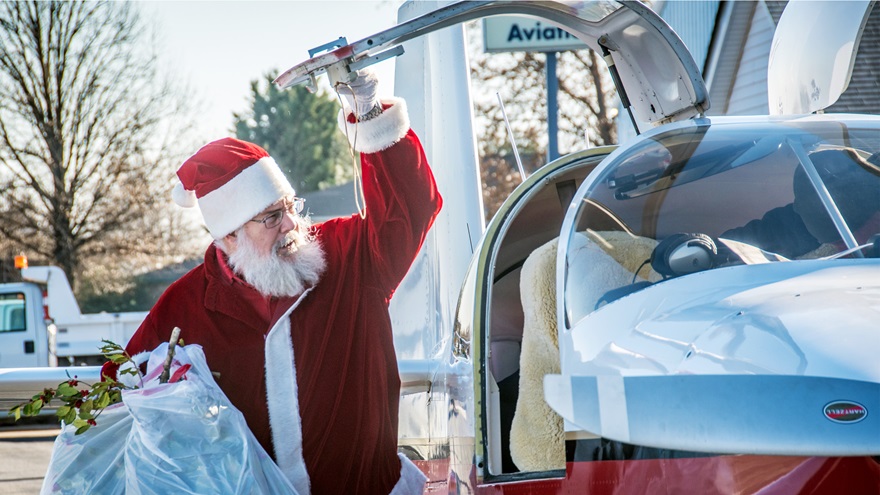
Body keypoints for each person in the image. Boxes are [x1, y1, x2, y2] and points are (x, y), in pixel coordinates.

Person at [104, 70, 442, 494]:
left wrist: (368, 111)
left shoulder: (348, 256)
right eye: (270, 217)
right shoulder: (184, 307)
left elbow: (410, 208)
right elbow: (120, 395)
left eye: (289, 207)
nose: (291, 225)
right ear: (229, 237)